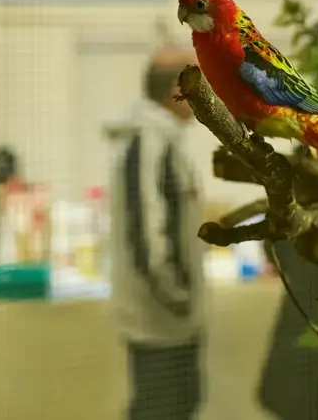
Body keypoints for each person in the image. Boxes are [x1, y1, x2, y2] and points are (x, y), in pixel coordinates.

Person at [107, 45, 206, 420]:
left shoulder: (165, 141)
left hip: (174, 322)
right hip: (159, 323)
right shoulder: (148, 142)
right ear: (175, 91)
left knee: (182, 407)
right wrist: (178, 298)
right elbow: (147, 234)